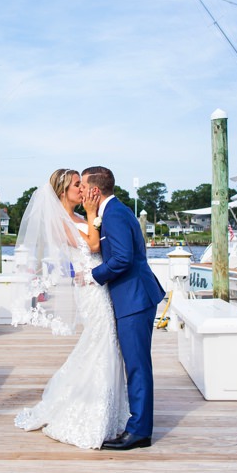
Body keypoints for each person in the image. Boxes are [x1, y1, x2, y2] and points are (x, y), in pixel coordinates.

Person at [13, 168, 129, 449]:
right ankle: (85, 412)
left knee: (105, 344)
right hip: (90, 291)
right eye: (77, 185)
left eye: (81, 184)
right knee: (102, 341)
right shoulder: (60, 221)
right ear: (63, 191)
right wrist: (92, 214)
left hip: (98, 285)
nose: (81, 189)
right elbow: (90, 244)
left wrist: (89, 217)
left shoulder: (78, 217)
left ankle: (107, 410)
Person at [81, 166, 165, 450]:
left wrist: (92, 277)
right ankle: (138, 424)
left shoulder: (115, 214)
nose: (80, 190)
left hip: (134, 298)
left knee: (138, 366)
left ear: (95, 190)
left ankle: (140, 431)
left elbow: (123, 260)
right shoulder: (114, 211)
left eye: (83, 185)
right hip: (131, 297)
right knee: (135, 364)